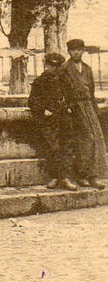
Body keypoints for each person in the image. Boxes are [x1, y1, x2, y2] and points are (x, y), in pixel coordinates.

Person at [58, 38, 108, 190]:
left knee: (96, 140)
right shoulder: (64, 69)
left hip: (88, 107)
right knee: (86, 139)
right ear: (68, 52)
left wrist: (95, 110)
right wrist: (68, 107)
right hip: (75, 108)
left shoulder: (87, 68)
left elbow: (91, 92)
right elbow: (60, 91)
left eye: (79, 49)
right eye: (73, 50)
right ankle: (81, 175)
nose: (76, 52)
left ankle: (93, 176)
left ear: (83, 51)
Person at [28, 52, 77, 190]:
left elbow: (73, 98)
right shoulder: (40, 81)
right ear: (46, 65)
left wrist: (69, 108)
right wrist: (43, 110)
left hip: (64, 119)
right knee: (53, 148)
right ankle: (55, 177)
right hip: (49, 120)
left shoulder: (65, 81)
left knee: (66, 147)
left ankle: (66, 178)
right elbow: (32, 101)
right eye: (51, 65)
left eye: (57, 66)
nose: (54, 69)